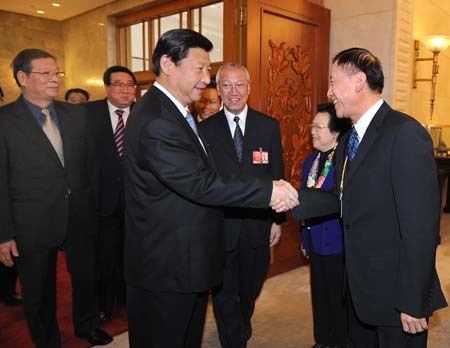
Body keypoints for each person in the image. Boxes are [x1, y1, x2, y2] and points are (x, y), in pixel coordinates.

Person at [123, 29, 298, 348]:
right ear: (168, 63)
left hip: (184, 257)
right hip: (168, 264)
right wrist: (268, 192)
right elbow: (200, 183)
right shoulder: (157, 120)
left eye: (209, 70)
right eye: (200, 68)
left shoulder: (172, 113)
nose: (207, 79)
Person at [293, 47, 447, 348]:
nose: (329, 91)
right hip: (359, 290)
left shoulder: (404, 133)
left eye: (333, 81)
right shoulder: (350, 137)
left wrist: (413, 300)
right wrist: (288, 197)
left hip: (396, 296)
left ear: (358, 82)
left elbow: (421, 229)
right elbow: (343, 198)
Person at [0, 48, 112, 348]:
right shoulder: (4, 120)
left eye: (57, 73)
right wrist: (5, 233)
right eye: (46, 73)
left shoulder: (77, 114)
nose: (55, 79)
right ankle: (47, 341)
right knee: (38, 291)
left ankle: (86, 326)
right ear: (22, 78)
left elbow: (91, 167)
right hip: (31, 220)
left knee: (85, 278)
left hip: (79, 214)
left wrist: (94, 208)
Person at [199, 63, 285, 348]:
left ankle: (242, 318)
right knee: (223, 291)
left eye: (239, 85)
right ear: (218, 89)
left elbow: (277, 176)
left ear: (249, 88)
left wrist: (277, 220)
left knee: (251, 285)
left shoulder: (268, 126)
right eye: (226, 85)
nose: (233, 92)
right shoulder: (204, 130)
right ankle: (232, 339)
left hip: (256, 224)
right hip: (219, 225)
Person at [85, 65, 136, 323]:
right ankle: (103, 305)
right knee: (103, 258)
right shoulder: (86, 113)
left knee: (132, 256)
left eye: (129, 85)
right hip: (101, 202)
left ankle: (128, 300)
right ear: (107, 87)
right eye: (118, 84)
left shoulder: (145, 115)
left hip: (137, 204)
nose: (125, 90)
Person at [300, 103, 351, 348]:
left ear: (335, 132)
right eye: (313, 126)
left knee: (337, 298)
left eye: (319, 127)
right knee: (318, 296)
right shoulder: (309, 161)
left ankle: (339, 342)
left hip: (339, 243)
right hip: (315, 239)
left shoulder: (345, 161)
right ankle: (321, 340)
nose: (313, 131)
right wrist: (304, 239)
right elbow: (305, 203)